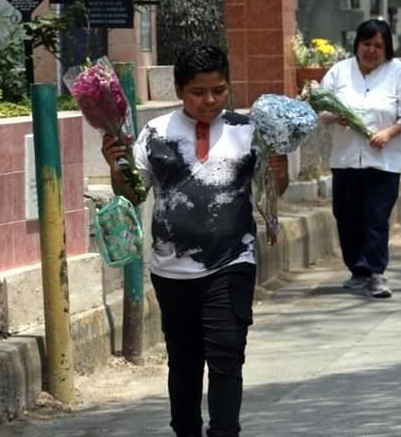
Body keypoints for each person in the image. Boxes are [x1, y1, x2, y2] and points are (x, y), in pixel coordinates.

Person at [101, 43, 290, 437]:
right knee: (184, 361)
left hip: (233, 262)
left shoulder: (248, 131)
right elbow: (133, 194)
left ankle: (224, 431)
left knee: (226, 355)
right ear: (179, 89)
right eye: (198, 92)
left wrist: (279, 165)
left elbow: (272, 192)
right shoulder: (156, 133)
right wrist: (116, 165)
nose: (209, 100)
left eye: (219, 90)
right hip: (171, 270)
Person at [322, 19, 401, 298]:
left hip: (382, 162)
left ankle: (377, 272)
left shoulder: (400, 73)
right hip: (345, 160)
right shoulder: (339, 72)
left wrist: (389, 132)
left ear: (387, 48)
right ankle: (357, 270)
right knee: (347, 216)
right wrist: (335, 116)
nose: (371, 50)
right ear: (357, 44)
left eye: (378, 45)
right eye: (366, 44)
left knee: (376, 217)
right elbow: (319, 109)